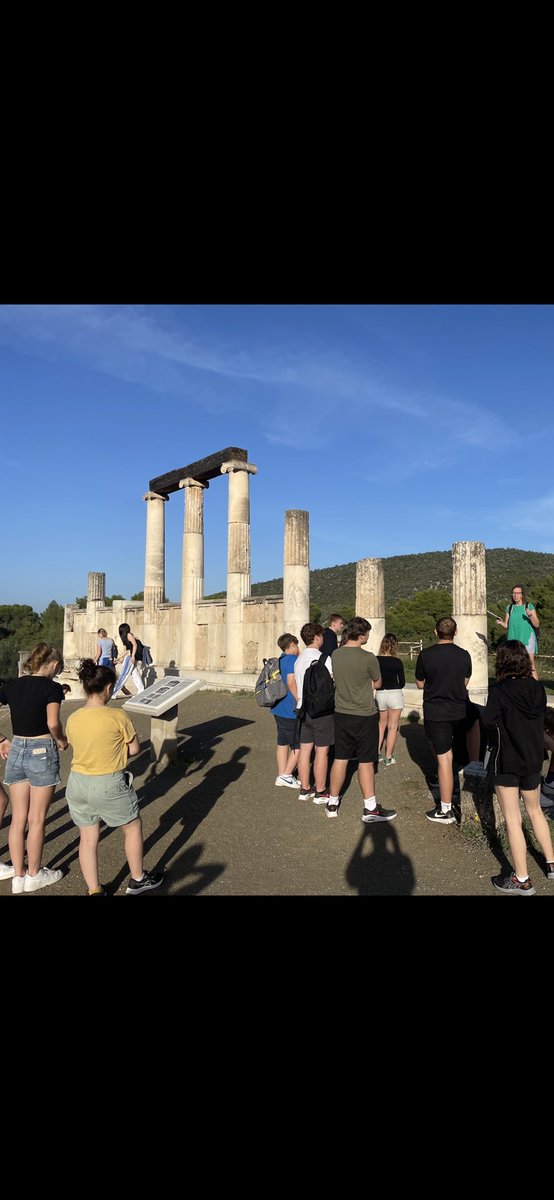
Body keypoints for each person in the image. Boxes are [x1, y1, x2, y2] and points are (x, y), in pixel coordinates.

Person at [65, 659, 164, 895]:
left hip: (77, 782)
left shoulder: (73, 717)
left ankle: (94, 889)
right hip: (107, 782)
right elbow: (135, 749)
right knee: (132, 826)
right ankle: (138, 878)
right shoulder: (118, 716)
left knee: (87, 837)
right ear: (109, 688)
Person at [482, 640, 553, 894]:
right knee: (535, 811)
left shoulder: (499, 691)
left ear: (501, 661)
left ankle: (522, 879)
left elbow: (488, 721)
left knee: (513, 819)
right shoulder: (537, 688)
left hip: (507, 760)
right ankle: (551, 863)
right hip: (533, 758)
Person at [0, 642, 67, 892]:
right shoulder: (53, 688)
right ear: (54, 664)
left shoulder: (12, 685)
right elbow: (53, 722)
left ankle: (18, 876)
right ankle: (35, 874)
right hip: (42, 750)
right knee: (36, 819)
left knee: (18, 818)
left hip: (17, 748)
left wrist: (1, 739)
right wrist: (61, 740)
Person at [325, 616, 396, 823]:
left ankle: (332, 802)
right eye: (368, 634)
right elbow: (377, 683)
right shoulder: (368, 658)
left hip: (341, 712)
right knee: (366, 761)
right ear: (362, 635)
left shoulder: (336, 654)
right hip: (364, 714)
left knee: (340, 758)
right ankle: (370, 808)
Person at [415, 617, 479, 825]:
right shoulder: (464, 655)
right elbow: (465, 681)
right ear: (456, 632)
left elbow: (419, 683)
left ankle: (445, 810)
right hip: (460, 709)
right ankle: (473, 774)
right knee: (465, 739)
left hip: (436, 712)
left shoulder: (425, 655)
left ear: (436, 632)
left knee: (444, 758)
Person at [294, 622, 334, 804]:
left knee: (305, 750)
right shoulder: (324, 658)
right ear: (317, 637)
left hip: (303, 709)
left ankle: (304, 788)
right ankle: (321, 790)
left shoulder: (299, 659)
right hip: (321, 710)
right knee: (322, 751)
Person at [272, 633, 302, 789]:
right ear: (292, 644)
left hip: (279, 707)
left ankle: (281, 774)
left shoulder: (281, 659)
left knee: (282, 742)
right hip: (290, 708)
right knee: (299, 744)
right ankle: (287, 774)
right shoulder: (291, 659)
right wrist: (299, 700)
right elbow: (291, 682)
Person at [495, 585, 540, 680]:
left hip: (527, 637)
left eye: (518, 593)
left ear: (522, 594)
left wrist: (530, 615)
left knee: (530, 664)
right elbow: (507, 626)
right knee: (513, 665)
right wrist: (501, 623)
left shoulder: (529, 606)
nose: (516, 595)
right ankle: (517, 686)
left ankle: (536, 686)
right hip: (513, 639)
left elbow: (536, 624)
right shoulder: (509, 608)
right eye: (514, 593)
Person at [376, 633, 405, 766]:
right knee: (393, 726)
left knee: (381, 725)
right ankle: (388, 757)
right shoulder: (397, 662)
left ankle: (376, 754)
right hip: (395, 693)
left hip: (380, 693)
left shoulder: (375, 660)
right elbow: (402, 682)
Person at [116, 623, 145, 693]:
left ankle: (141, 689)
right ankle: (141, 689)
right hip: (130, 656)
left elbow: (135, 645)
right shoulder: (125, 637)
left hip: (132, 656)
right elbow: (127, 650)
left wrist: (133, 656)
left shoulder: (129, 635)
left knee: (126, 673)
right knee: (134, 673)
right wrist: (119, 658)